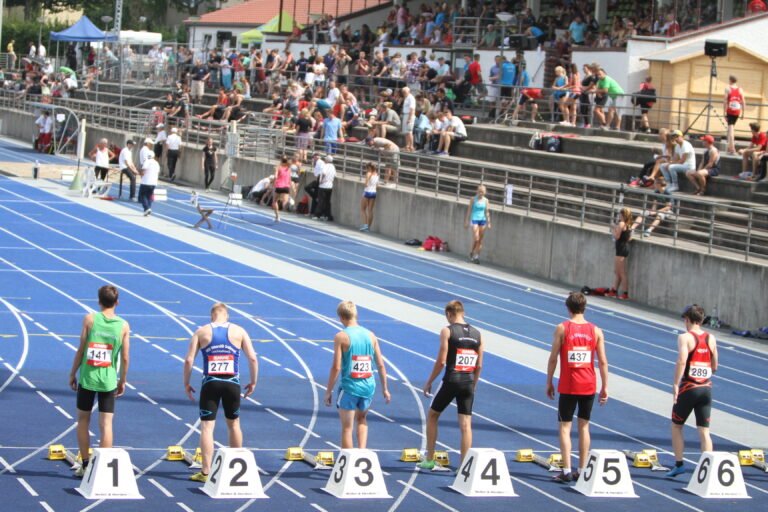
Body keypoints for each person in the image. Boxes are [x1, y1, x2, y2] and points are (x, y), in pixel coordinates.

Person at [183, 302, 259, 482]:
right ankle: (235, 467)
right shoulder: (239, 331)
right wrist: (254, 381)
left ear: (212, 316)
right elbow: (253, 358)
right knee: (234, 424)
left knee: (207, 427)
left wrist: (186, 383)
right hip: (232, 383)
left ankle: (206, 472)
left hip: (210, 383)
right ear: (228, 316)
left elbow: (188, 360)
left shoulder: (201, 332)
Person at [68, 285, 131, 477]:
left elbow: (81, 349)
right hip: (108, 381)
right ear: (117, 302)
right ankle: (102, 468)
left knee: (82, 421)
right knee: (106, 424)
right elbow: (126, 357)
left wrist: (72, 373)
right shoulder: (123, 325)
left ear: (98, 301)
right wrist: (122, 380)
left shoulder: (90, 319)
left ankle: (86, 464)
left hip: (87, 379)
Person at [546, 292, 608, 483]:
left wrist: (549, 381)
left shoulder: (562, 328)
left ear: (568, 308)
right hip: (589, 385)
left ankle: (566, 470)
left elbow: (554, 357)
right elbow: (603, 362)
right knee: (584, 427)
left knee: (565, 427)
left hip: (569, 385)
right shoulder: (596, 330)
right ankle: (582, 470)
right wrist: (605, 386)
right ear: (585, 308)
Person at [419, 300, 483, 469]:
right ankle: (464, 467)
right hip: (468, 382)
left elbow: (441, 361)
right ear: (463, 313)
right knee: (466, 425)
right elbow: (480, 365)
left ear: (448, 314)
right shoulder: (478, 334)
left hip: (451, 380)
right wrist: (473, 385)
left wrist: (429, 382)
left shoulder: (447, 331)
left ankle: (430, 459)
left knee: (432, 415)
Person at [324, 300, 390, 449]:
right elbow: (380, 364)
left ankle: (349, 463)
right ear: (355, 315)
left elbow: (336, 367)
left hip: (350, 388)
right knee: (362, 420)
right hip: (368, 387)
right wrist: (385, 388)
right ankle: (361, 454)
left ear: (341, 317)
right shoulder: (371, 335)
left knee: (347, 428)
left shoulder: (341, 336)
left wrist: (329, 391)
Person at [667, 304, 718, 478]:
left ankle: (679, 464)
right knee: (704, 431)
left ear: (686, 319)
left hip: (689, 387)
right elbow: (715, 365)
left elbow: (682, 361)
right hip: (706, 388)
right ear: (702, 320)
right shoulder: (711, 337)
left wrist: (675, 384)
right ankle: (708, 469)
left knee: (676, 426)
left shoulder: (685, 338)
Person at [606, 207, 632, 299]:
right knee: (617, 271)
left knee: (621, 272)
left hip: (621, 249)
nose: (619, 215)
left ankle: (625, 293)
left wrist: (614, 227)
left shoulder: (622, 223)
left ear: (622, 215)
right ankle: (614, 290)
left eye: (620, 214)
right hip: (621, 248)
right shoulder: (627, 224)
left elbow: (617, 236)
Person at [464, 185, 491, 264]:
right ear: (477, 191)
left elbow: (487, 211)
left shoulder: (486, 200)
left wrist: (489, 222)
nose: (481, 193)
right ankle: (472, 252)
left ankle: (476, 257)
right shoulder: (473, 199)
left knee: (480, 240)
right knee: (476, 238)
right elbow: (469, 210)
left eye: (482, 192)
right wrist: (466, 221)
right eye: (479, 191)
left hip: (482, 220)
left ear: (484, 192)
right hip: (474, 219)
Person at [723, 76, 745, 154]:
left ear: (730, 81)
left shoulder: (728, 89)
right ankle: (730, 147)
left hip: (730, 110)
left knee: (731, 128)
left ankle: (732, 148)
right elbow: (743, 101)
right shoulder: (740, 89)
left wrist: (724, 112)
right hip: (737, 110)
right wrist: (743, 113)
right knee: (731, 128)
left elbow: (725, 100)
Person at [315, 155, 336, 221]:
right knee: (327, 201)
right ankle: (327, 215)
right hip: (330, 186)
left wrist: (321, 181)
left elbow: (324, 173)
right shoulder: (333, 167)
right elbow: (335, 175)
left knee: (321, 201)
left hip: (323, 186)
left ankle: (318, 215)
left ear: (327, 160)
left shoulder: (325, 166)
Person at [360, 162, 379, 232]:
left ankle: (365, 224)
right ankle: (368, 226)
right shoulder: (376, 174)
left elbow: (366, 184)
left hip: (367, 192)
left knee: (363, 209)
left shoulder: (368, 174)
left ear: (369, 168)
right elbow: (377, 186)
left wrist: (365, 184)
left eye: (367, 168)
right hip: (373, 193)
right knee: (370, 210)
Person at [273, 155, 292, 222]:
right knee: (285, 201)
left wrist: (273, 183)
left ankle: (277, 216)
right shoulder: (288, 168)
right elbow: (290, 178)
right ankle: (288, 207)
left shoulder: (278, 167)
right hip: (286, 186)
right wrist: (290, 185)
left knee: (275, 201)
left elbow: (275, 176)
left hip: (279, 186)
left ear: (281, 160)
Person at [401, 87, 416, 151]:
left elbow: (412, 109)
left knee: (409, 131)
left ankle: (411, 146)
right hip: (405, 114)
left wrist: (410, 118)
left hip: (409, 115)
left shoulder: (411, 98)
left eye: (405, 92)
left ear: (408, 91)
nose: (404, 93)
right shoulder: (406, 98)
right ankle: (407, 145)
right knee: (406, 132)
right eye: (403, 92)